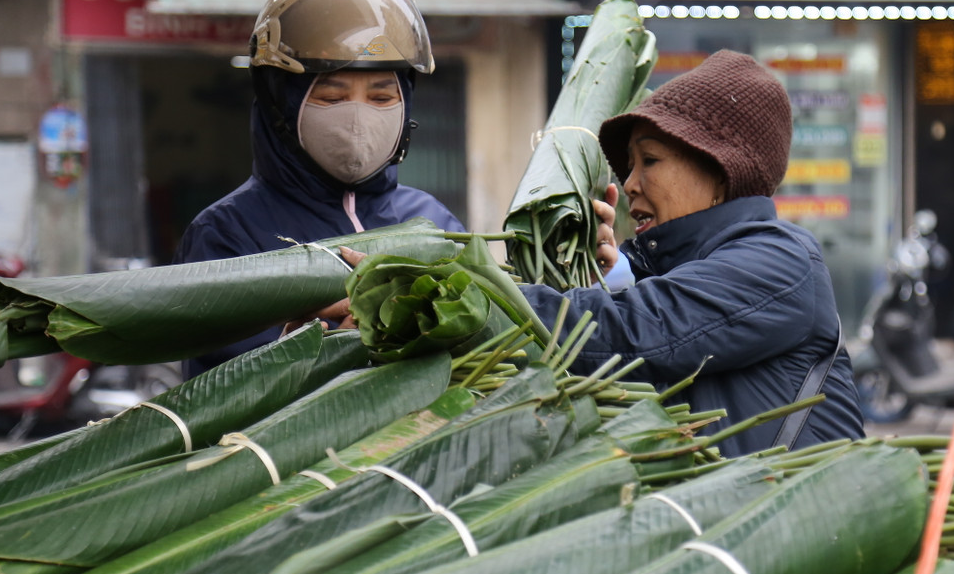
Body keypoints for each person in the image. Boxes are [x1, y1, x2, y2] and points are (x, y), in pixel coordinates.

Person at [310, 50, 864, 456]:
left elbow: (630, 333)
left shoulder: (781, 262)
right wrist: (615, 271)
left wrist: (444, 294)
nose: (632, 183)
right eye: (630, 166)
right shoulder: (665, 267)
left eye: (651, 161)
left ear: (719, 170)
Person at [175, 0, 464, 377]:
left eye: (381, 96)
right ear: (280, 105)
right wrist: (299, 355)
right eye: (333, 96)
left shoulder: (432, 222)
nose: (359, 119)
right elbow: (214, 392)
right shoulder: (226, 234)